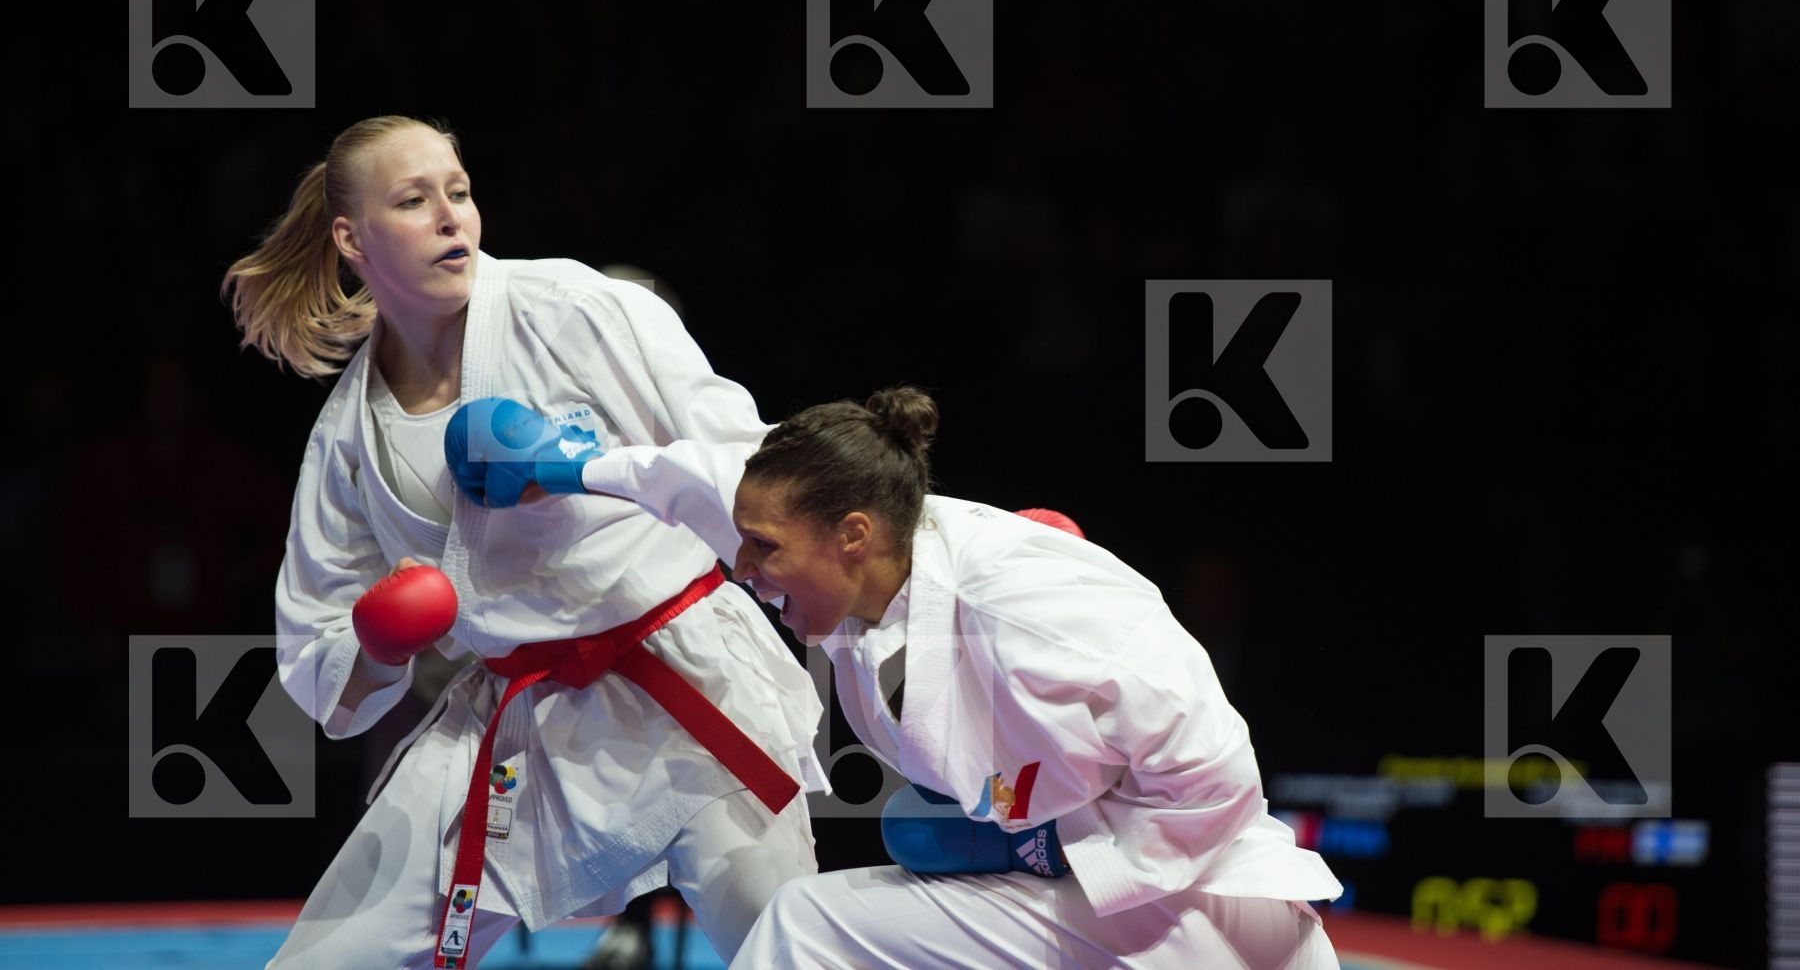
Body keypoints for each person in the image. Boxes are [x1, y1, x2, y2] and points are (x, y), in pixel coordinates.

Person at [452, 385, 1345, 968]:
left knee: (807, 930)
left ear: (852, 536)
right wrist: (562, 468)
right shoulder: (837, 534)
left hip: (1205, 915)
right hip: (1107, 903)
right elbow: (700, 481)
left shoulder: (1021, 612)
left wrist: (1046, 850)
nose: (742, 570)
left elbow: (1220, 776)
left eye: (761, 552)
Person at [220, 115, 825, 970]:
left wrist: (586, 468)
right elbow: (328, 671)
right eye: (414, 200)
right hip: (512, 719)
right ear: (352, 238)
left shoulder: (578, 310)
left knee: (793, 954)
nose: (450, 217)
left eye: (459, 193)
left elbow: (750, 471)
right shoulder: (350, 438)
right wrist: (381, 639)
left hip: (687, 686)